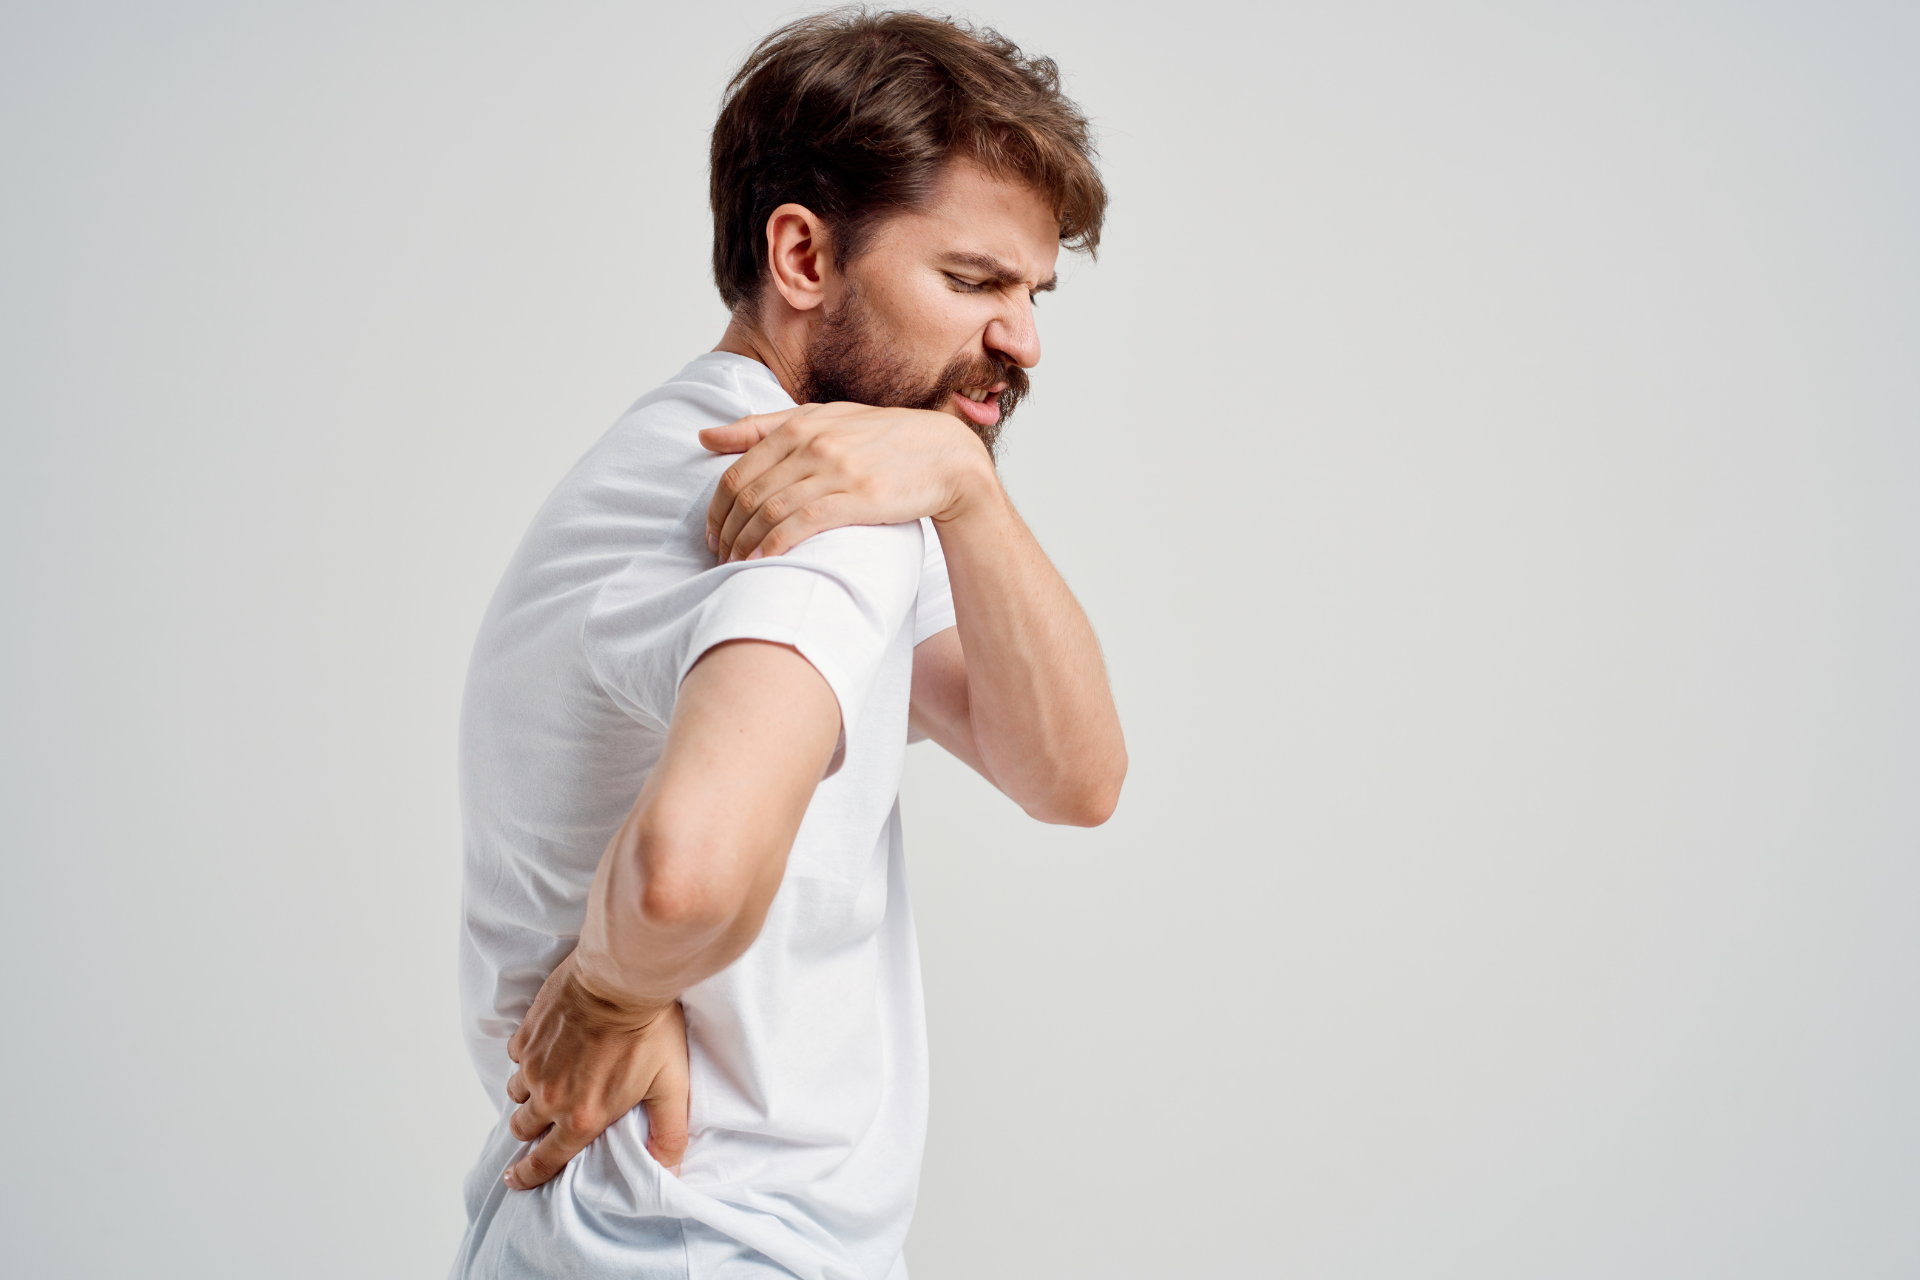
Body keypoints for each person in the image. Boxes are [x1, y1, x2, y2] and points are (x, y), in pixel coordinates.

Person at [450, 12, 1125, 1278]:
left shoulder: (766, 460)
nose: (1023, 337)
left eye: (1033, 293)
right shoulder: (809, 508)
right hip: (698, 1237)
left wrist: (964, 488)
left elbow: (1070, 773)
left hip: (626, 1230)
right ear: (804, 254)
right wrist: (606, 990)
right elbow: (683, 876)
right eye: (973, 282)